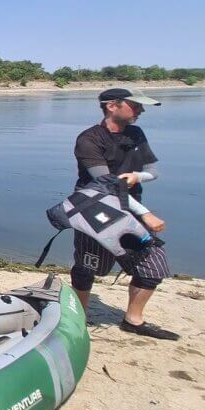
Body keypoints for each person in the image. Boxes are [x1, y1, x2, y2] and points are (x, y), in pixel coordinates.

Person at [70, 88, 178, 340]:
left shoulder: (136, 134)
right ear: (112, 106)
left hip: (131, 209)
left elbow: (153, 170)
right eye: (135, 105)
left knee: (153, 265)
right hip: (95, 211)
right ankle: (79, 318)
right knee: (87, 266)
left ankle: (133, 320)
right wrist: (146, 213)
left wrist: (137, 176)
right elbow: (107, 184)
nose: (140, 110)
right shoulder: (89, 139)